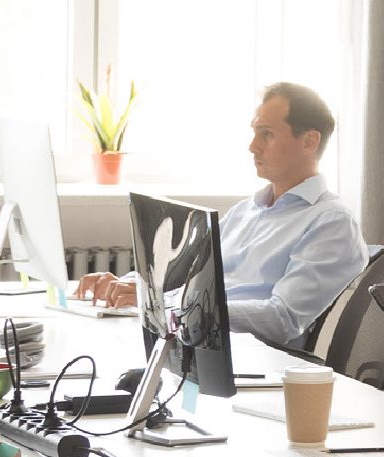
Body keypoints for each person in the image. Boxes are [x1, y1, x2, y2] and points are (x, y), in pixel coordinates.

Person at [73, 83, 366, 349]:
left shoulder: (331, 222)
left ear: (309, 142)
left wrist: (172, 310)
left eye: (267, 134)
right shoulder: (245, 211)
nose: (253, 146)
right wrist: (129, 286)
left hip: (245, 357)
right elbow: (184, 273)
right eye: (255, 133)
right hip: (196, 342)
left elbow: (283, 319)